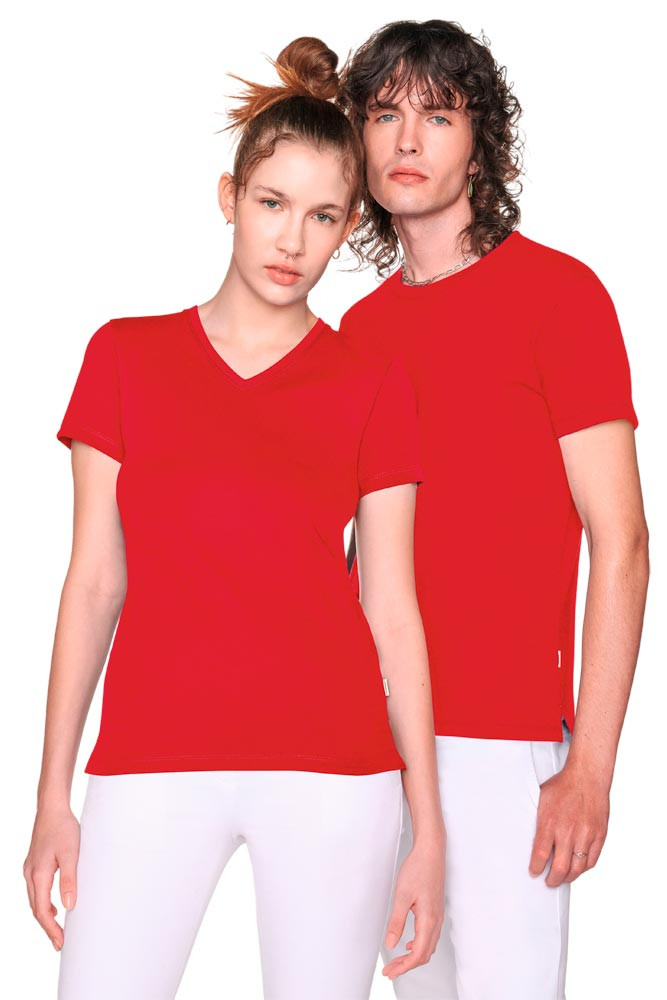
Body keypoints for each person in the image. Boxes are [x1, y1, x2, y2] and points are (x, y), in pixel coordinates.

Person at [22, 36, 446, 1000]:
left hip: (335, 772)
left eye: (323, 215)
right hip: (150, 760)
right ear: (229, 198)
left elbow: (391, 607)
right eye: (271, 204)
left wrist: (425, 828)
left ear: (348, 226)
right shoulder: (123, 358)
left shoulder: (371, 382)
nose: (292, 240)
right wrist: (52, 797)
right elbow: (93, 584)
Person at [337, 18, 650, 999]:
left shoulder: (559, 297)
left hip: (501, 745)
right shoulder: (358, 331)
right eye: (383, 115)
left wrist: (589, 765)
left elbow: (622, 540)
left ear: (481, 146)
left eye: (437, 115)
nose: (407, 140)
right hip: (371, 745)